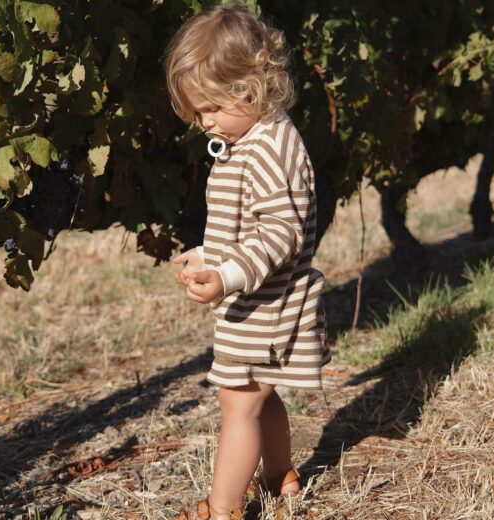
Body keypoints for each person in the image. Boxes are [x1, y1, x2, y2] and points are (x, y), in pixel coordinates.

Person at [162, 5, 331, 519]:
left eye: (211, 108)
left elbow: (281, 232)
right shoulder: (255, 137)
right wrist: (210, 255)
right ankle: (281, 475)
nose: (204, 122)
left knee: (238, 402)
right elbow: (247, 225)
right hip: (257, 297)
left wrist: (228, 275)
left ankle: (223, 507)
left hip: (265, 301)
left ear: (252, 87)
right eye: (197, 113)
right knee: (259, 393)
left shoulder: (267, 148)